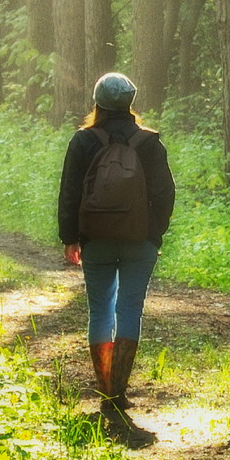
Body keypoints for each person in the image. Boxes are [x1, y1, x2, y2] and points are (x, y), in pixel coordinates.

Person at [58, 72, 175, 419]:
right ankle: (119, 392)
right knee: (129, 309)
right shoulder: (149, 143)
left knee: (100, 312)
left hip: (95, 239)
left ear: (98, 103)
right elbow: (165, 194)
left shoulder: (83, 141)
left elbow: (70, 193)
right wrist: (154, 234)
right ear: (130, 103)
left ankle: (104, 389)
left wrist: (70, 237)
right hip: (140, 240)